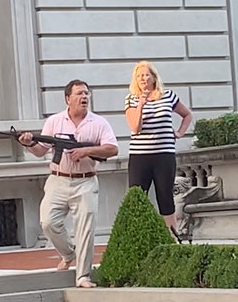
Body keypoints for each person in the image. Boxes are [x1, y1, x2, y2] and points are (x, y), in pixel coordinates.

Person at [19, 79, 118, 288]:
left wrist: (86, 151)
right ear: (68, 99)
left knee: (85, 229)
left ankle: (83, 276)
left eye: (86, 94)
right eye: (79, 94)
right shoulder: (55, 121)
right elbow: (40, 151)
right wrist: (29, 143)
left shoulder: (99, 123)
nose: (84, 97)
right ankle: (68, 253)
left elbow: (112, 149)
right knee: (48, 222)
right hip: (58, 179)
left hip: (86, 182)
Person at [124, 61, 193, 237]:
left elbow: (187, 114)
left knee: (165, 196)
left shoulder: (168, 95)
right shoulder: (131, 99)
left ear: (154, 77)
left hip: (164, 155)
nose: (143, 79)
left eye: (146, 75)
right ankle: (137, 236)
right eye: (139, 76)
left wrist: (179, 132)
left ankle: (172, 235)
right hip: (140, 156)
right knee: (137, 196)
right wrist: (141, 104)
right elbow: (135, 127)